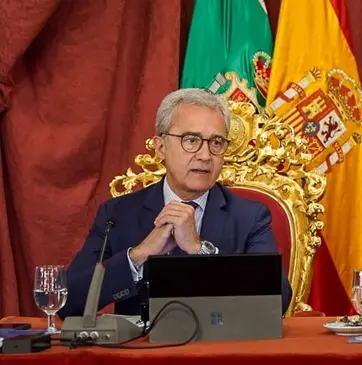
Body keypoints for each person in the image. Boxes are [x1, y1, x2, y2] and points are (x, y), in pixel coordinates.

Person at [62, 88, 292, 318]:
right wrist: (138, 256)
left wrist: (200, 250)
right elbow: (66, 300)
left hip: (218, 339)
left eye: (216, 142)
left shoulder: (250, 217)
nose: (205, 155)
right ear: (161, 147)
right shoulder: (117, 214)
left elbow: (277, 299)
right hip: (143, 341)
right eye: (191, 140)